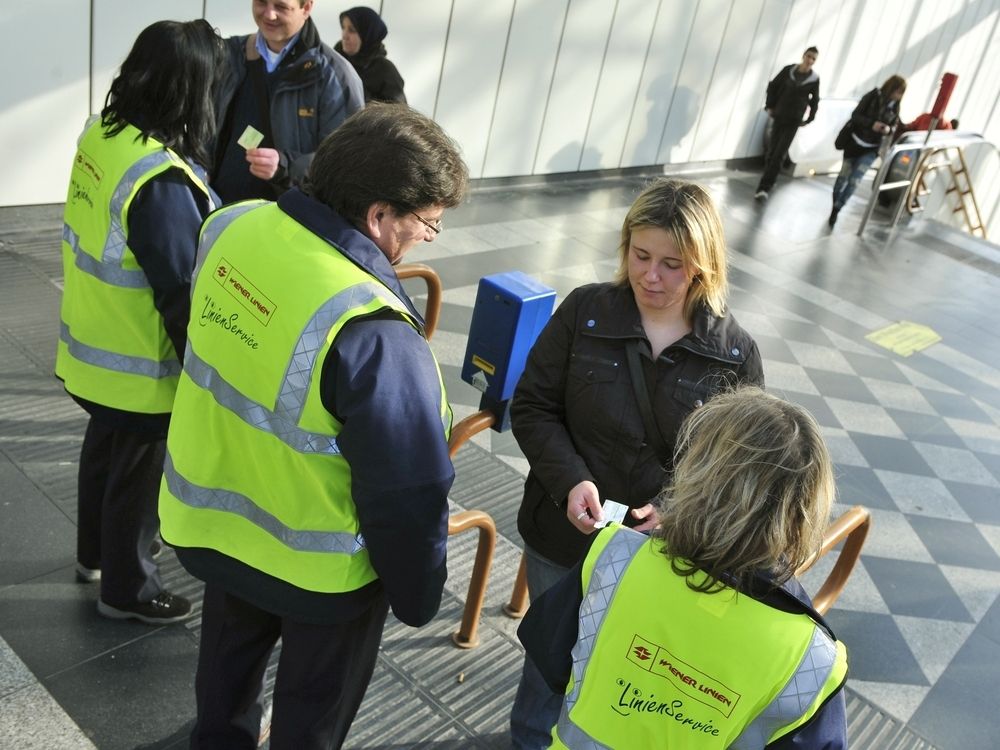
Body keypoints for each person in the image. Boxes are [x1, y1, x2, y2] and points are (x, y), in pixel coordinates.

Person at [159, 103, 468, 749]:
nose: (423, 240)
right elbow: (407, 493)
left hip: (215, 523)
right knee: (310, 722)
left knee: (222, 692)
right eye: (426, 225)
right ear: (380, 215)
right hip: (319, 574)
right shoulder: (373, 332)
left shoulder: (232, 225)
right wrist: (418, 596)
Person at [509, 177, 765, 748]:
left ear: (703, 264)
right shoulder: (586, 311)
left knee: (621, 674)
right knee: (547, 670)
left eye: (672, 264)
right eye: (640, 255)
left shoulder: (734, 353)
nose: (651, 276)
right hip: (563, 533)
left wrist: (674, 509)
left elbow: (734, 469)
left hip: (656, 555)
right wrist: (570, 480)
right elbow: (532, 406)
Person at [518, 387, 849, 748]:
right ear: (805, 511)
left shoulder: (615, 558)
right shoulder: (813, 660)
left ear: (698, 472)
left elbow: (549, 657)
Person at [55, 20, 223, 624]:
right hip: (140, 364)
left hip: (92, 341)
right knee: (138, 473)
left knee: (105, 448)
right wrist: (206, 374)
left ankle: (95, 556)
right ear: (188, 89)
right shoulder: (159, 181)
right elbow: (180, 290)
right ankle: (128, 589)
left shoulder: (103, 135)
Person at [212, 0, 365, 203]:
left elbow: (346, 161)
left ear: (307, 8)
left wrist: (285, 166)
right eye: (261, 2)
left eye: (281, 7)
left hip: (285, 219)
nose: (269, 14)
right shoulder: (229, 54)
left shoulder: (335, 75)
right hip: (218, 210)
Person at [829, 74, 907, 226]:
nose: (898, 96)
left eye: (901, 93)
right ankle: (835, 205)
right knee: (842, 179)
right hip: (854, 143)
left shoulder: (896, 107)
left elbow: (895, 126)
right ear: (890, 88)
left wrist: (888, 129)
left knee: (854, 181)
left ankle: (838, 208)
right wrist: (872, 124)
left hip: (871, 149)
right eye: (897, 91)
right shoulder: (873, 96)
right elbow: (855, 115)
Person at [754, 47, 820, 201]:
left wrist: (809, 119)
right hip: (779, 115)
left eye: (813, 59)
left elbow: (815, 100)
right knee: (771, 152)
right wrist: (770, 106)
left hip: (794, 120)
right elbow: (773, 86)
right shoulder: (788, 70)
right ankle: (771, 178)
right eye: (809, 56)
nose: (810, 60)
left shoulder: (814, 79)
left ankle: (764, 187)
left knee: (779, 154)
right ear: (803, 55)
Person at [335, 6, 407, 103]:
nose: (344, 35)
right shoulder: (335, 59)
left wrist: (362, 96)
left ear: (368, 35)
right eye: (343, 28)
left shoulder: (386, 71)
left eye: (351, 30)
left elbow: (397, 114)